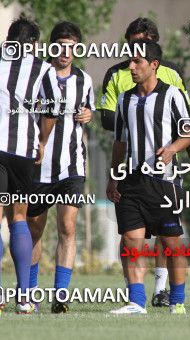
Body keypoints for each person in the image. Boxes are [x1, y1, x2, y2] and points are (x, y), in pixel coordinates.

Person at [98, 17, 190, 307]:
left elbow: (188, 131)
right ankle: (136, 302)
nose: (131, 66)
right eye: (130, 61)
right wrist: (113, 177)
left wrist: (173, 149)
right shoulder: (124, 100)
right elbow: (119, 143)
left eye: (137, 62)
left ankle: (177, 300)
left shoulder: (172, 95)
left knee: (170, 243)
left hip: (164, 181)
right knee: (132, 240)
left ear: (153, 64)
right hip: (131, 180)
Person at [27, 21, 94, 313]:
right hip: (38, 167)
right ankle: (28, 293)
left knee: (68, 227)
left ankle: (61, 297)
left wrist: (89, 115)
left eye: (71, 47)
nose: (65, 52)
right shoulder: (37, 75)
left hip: (72, 166)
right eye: (61, 46)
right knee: (33, 231)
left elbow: (89, 113)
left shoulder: (85, 80)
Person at [0, 16, 62, 314]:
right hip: (22, 151)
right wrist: (42, 141)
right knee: (19, 218)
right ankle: (24, 299)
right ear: (33, 44)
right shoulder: (43, 68)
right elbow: (52, 108)